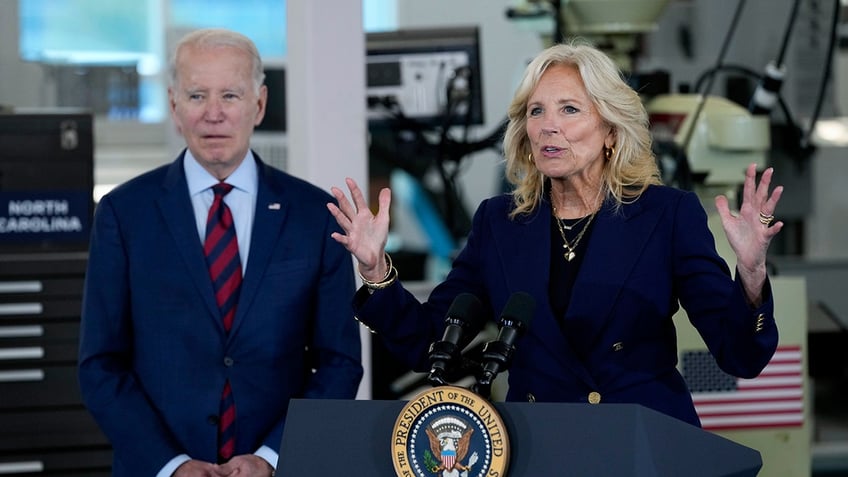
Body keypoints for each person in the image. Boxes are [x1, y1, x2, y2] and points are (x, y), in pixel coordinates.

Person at [327, 40, 783, 428]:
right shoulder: (499, 223)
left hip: (642, 444)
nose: (549, 125)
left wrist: (751, 274)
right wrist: (376, 270)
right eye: (536, 111)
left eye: (569, 109)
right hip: (539, 446)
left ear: (610, 130)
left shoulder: (665, 215)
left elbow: (740, 355)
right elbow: (428, 344)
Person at [78, 28, 363, 476]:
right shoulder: (123, 213)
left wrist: (273, 457)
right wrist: (171, 465)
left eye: (230, 95)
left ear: (259, 104)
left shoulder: (315, 215)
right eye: (197, 96)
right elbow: (100, 365)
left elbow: (339, 362)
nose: (214, 114)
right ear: (174, 105)